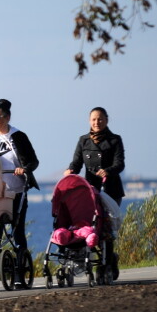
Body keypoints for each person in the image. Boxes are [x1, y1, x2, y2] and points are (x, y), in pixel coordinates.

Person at [0, 99, 40, 291]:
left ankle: (18, 275)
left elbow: (33, 161)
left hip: (18, 190)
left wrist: (24, 169)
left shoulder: (19, 136)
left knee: (17, 232)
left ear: (7, 117)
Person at [64, 106, 125, 279]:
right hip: (89, 190)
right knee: (88, 225)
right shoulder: (83, 140)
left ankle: (108, 262)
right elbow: (76, 163)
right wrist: (70, 171)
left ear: (106, 120)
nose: (96, 122)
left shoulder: (115, 140)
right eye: (93, 119)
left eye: (100, 119)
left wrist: (109, 170)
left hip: (111, 190)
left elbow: (120, 163)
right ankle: (88, 258)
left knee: (105, 227)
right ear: (89, 121)